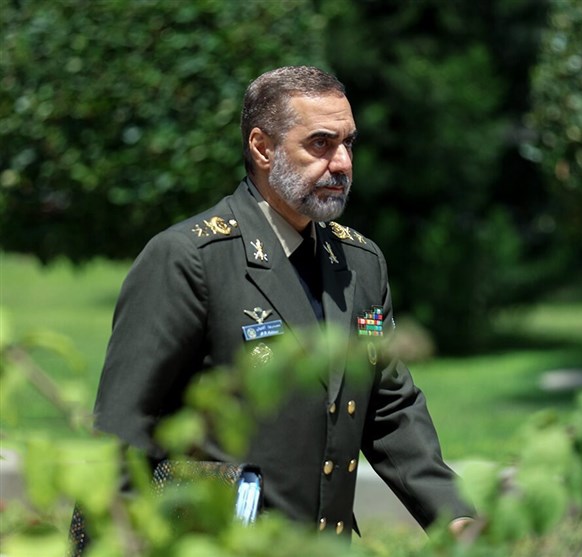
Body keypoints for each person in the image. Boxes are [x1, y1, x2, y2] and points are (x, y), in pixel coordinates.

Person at [92, 65, 474, 538]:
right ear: (262, 147)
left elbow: (387, 406)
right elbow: (123, 431)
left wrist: (456, 515)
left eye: (348, 143)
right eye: (320, 144)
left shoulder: (360, 262)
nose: (342, 163)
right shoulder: (191, 258)